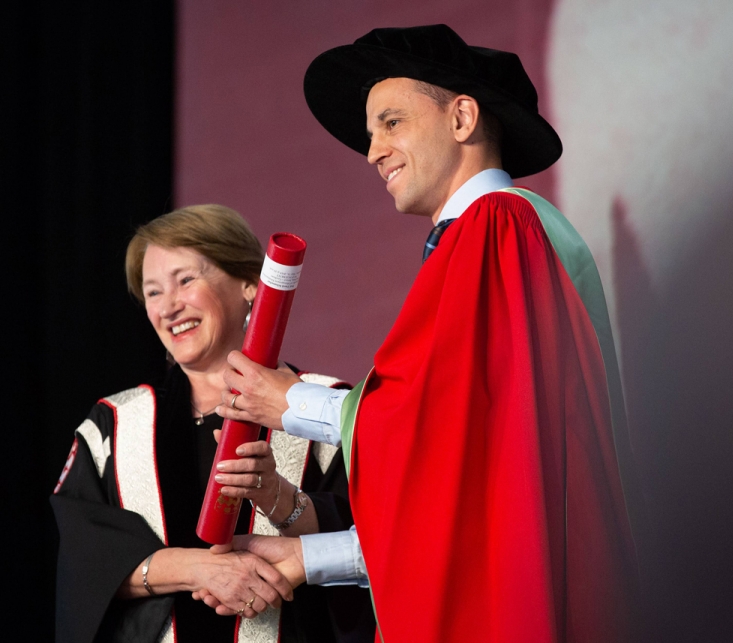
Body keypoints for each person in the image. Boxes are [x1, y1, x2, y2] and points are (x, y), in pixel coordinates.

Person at [211, 25, 642, 643]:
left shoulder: (499, 226)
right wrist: (309, 559)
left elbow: (434, 422)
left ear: (463, 116)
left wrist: (290, 403)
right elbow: (472, 482)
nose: (373, 151)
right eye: (370, 134)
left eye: (392, 122)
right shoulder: (512, 231)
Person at [50, 204, 374, 643]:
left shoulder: (326, 409)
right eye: (152, 292)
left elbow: (373, 543)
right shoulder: (115, 423)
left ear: (248, 284)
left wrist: (277, 497)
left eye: (186, 280)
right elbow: (85, 565)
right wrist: (199, 568)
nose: (169, 306)